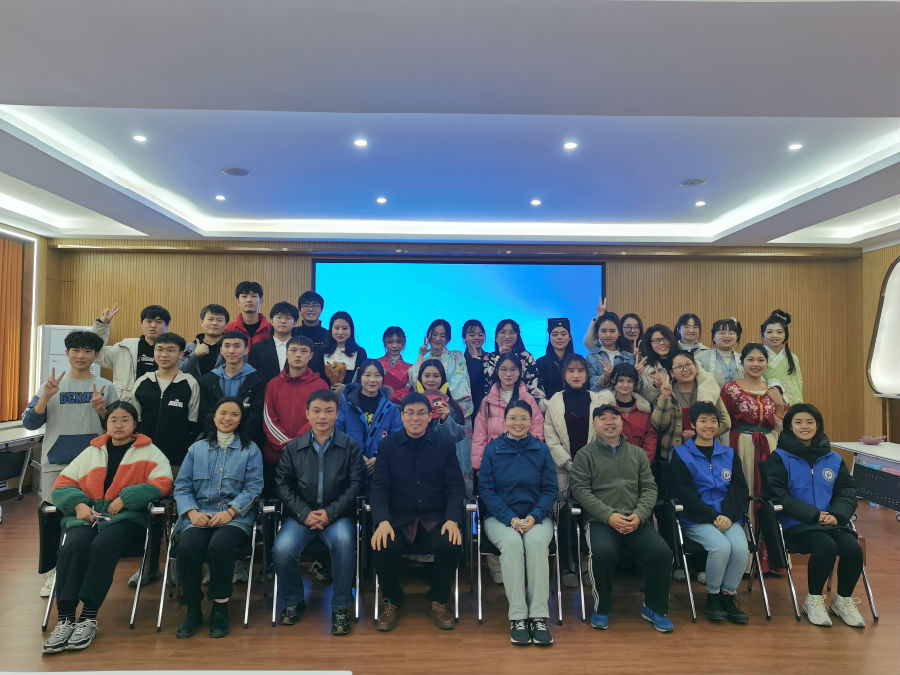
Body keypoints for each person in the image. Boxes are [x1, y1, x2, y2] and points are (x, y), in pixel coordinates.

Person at [41, 401, 173, 654]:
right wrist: (78, 504)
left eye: (125, 420)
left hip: (128, 521)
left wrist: (127, 498)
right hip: (88, 517)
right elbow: (61, 484)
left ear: (135, 424)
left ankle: (88, 616)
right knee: (72, 546)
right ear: (106, 423)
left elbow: (163, 483)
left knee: (103, 545)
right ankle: (65, 617)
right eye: (113, 420)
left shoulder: (150, 451)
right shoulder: (92, 451)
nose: (119, 425)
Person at [23, 330, 117, 597]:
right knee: (52, 517)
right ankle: (52, 571)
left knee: (89, 518)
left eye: (87, 351)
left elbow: (117, 428)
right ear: (67, 353)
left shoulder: (105, 387)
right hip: (57, 463)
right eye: (76, 350)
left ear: (96, 356)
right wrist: (45, 397)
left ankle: (83, 569)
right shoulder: (51, 385)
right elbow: (30, 422)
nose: (81, 355)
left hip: (93, 465)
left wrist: (102, 409)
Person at [569, 404, 674, 633]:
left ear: (621, 422)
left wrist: (640, 515)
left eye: (614, 417)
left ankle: (654, 608)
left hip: (635, 519)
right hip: (600, 521)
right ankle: (602, 608)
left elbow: (649, 488)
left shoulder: (637, 453)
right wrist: (609, 516)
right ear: (594, 424)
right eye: (602, 418)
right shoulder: (585, 455)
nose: (609, 422)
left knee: (662, 553)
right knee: (602, 553)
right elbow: (580, 491)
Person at [369, 393, 465, 632]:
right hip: (399, 519)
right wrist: (382, 521)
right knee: (381, 544)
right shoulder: (388, 446)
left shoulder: (444, 445)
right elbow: (379, 487)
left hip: (435, 518)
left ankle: (438, 599)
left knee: (451, 543)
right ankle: (392, 599)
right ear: (402, 416)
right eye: (409, 413)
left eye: (421, 413)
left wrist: (452, 519)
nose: (415, 418)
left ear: (430, 416)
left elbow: (455, 487)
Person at [273, 389, 364, 635]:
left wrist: (329, 513)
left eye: (328, 411)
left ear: (337, 414)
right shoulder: (294, 447)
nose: (322, 416)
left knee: (344, 543)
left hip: (337, 516)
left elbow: (355, 485)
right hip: (301, 516)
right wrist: (304, 513)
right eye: (317, 411)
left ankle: (340, 606)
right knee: (282, 550)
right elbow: (282, 484)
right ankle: (294, 601)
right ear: (307, 414)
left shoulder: (349, 446)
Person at [172, 397, 264, 639]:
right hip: (199, 514)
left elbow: (254, 487)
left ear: (241, 420)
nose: (227, 418)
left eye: (234, 414)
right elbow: (182, 487)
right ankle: (192, 608)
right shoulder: (196, 449)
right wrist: (192, 512)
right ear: (214, 416)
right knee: (187, 547)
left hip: (235, 518)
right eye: (223, 413)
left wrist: (231, 511)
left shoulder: (250, 450)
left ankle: (220, 607)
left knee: (220, 546)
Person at [766, 404, 865, 628]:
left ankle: (843, 601)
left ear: (818, 425)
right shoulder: (779, 457)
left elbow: (846, 490)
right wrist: (813, 515)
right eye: (798, 422)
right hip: (797, 523)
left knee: (853, 549)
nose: (804, 427)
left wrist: (838, 515)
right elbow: (778, 495)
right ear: (789, 426)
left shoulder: (833, 458)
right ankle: (813, 600)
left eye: (810, 422)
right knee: (825, 546)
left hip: (832, 522)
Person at [479, 400, 558, 646]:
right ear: (505, 420)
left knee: (535, 544)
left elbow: (550, 488)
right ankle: (518, 618)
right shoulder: (493, 450)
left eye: (523, 418)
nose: (518, 423)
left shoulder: (541, 449)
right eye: (513, 417)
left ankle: (539, 616)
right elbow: (486, 489)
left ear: (531, 421)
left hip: (537, 517)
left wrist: (535, 515)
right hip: (500, 518)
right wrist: (509, 517)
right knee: (512, 544)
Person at [666, 402, 750, 624]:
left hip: (727, 517)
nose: (709, 425)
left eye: (713, 421)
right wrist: (712, 517)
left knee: (740, 549)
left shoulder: (729, 454)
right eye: (703, 421)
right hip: (696, 519)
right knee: (720, 548)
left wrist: (728, 516)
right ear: (693, 425)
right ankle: (713, 597)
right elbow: (683, 493)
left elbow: (739, 489)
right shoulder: (681, 454)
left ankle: (728, 596)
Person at [128, 331, 200, 586]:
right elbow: (132, 422)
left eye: (170, 350)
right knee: (149, 514)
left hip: (178, 462)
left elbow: (193, 424)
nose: (164, 354)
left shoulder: (189, 383)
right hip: (145, 462)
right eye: (160, 349)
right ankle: (148, 567)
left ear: (181, 354)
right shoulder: (143, 382)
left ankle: (178, 566)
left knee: (179, 515)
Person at [721, 343, 787, 574]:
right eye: (750, 359)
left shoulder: (773, 391)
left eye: (761, 360)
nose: (756, 364)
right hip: (741, 445)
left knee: (769, 496)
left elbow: (781, 426)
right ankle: (745, 560)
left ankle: (771, 559)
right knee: (745, 493)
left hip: (769, 445)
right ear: (742, 363)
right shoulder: (730, 390)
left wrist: (779, 404)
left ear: (766, 363)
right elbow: (723, 422)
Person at [262, 336, 328, 497]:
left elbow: (320, 418)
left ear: (311, 355)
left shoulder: (320, 385)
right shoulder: (273, 384)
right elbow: (268, 418)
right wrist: (285, 444)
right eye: (293, 350)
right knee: (276, 501)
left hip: (309, 454)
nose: (298, 355)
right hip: (277, 455)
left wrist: (298, 441)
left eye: (304, 351)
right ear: (286, 353)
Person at [650, 350, 730, 462]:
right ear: (672, 373)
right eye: (679, 367)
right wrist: (664, 397)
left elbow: (726, 422)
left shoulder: (709, 391)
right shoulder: (667, 391)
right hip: (673, 455)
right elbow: (659, 425)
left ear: (696, 367)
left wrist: (699, 435)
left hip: (706, 453)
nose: (685, 369)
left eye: (688, 364)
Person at [471, 353, 544, 472]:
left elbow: (537, 432)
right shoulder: (487, 401)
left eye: (513, 369)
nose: (508, 374)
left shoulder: (528, 400)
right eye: (503, 369)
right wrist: (479, 466)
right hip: (494, 463)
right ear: (497, 371)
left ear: (520, 372)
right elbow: (480, 436)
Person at [197, 331, 266, 450]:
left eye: (237, 346)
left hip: (246, 444)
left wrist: (239, 440)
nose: (231, 351)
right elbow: (205, 414)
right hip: (214, 443)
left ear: (246, 350)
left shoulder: (258, 379)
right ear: (221, 350)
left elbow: (257, 415)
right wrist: (219, 438)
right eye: (227, 346)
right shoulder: (207, 380)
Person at [336, 359, 403, 480]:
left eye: (377, 375)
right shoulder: (346, 405)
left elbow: (396, 438)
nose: (372, 380)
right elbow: (338, 434)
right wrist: (358, 456)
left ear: (382, 378)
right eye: (367, 375)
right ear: (360, 377)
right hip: (350, 470)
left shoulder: (391, 409)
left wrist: (378, 458)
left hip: (381, 471)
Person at [91, 303, 170, 400]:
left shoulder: (173, 351)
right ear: (141, 324)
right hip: (127, 405)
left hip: (159, 404)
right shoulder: (125, 347)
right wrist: (102, 324)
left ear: (167, 325)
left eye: (158, 322)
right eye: (149, 321)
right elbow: (95, 352)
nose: (153, 325)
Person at [407, 319, 473, 419]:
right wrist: (421, 355)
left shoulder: (456, 356)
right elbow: (416, 382)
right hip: (428, 411)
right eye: (434, 334)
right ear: (429, 336)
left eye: (442, 336)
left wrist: (439, 400)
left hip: (452, 408)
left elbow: (460, 383)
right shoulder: (424, 361)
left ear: (447, 339)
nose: (437, 338)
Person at [483, 319, 545, 402]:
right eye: (503, 332)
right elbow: (488, 384)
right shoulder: (488, 358)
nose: (507, 336)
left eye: (512, 332)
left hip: (523, 404)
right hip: (495, 404)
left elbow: (534, 384)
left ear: (517, 336)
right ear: (496, 337)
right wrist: (502, 357)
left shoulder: (526, 357)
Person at [607, 363, 657, 463]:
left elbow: (650, 438)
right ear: (613, 380)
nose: (625, 385)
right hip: (610, 464)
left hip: (639, 464)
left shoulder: (644, 409)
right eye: (621, 380)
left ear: (635, 383)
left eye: (630, 381)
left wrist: (643, 462)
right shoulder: (606, 409)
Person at [310, 311, 367, 394]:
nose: (340, 332)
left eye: (345, 328)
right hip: (323, 397)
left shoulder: (360, 353)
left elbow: (363, 380)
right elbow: (314, 378)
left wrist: (347, 388)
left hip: (350, 399)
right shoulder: (320, 351)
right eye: (336, 328)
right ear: (331, 329)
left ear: (351, 330)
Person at [249, 301, 300, 384]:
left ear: (295, 323)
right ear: (271, 321)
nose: (283, 321)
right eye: (279, 317)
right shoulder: (258, 348)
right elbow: (252, 376)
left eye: (288, 318)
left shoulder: (301, 349)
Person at [761, 309, 803, 404]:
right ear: (763, 335)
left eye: (779, 332)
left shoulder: (793, 358)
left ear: (785, 335)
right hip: (765, 406)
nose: (775, 336)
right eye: (769, 332)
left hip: (790, 406)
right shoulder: (758, 357)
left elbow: (797, 387)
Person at [587, 312, 635, 391]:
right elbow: (590, 386)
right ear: (597, 333)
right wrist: (604, 378)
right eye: (603, 331)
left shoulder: (629, 357)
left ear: (619, 333)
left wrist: (637, 375)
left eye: (612, 331)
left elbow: (636, 387)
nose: (608, 335)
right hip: (600, 398)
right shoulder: (591, 357)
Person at [179, 304, 230, 378]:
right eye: (210, 319)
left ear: (226, 325)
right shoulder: (188, 348)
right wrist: (195, 355)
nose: (214, 323)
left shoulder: (231, 348)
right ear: (201, 322)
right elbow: (180, 372)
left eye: (219, 320)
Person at [695, 318, 745, 388]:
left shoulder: (744, 359)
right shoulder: (699, 359)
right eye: (722, 333)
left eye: (731, 333)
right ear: (713, 337)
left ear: (737, 337)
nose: (727, 336)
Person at [637, 324, 678, 407]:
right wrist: (656, 386)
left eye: (665, 339)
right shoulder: (646, 369)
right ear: (650, 344)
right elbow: (645, 400)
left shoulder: (683, 360)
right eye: (656, 340)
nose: (662, 343)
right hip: (660, 411)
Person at [225, 281, 273, 350]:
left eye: (254, 296)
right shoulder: (228, 328)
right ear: (238, 301)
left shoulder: (271, 329)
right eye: (244, 296)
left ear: (261, 301)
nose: (249, 300)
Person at [535, 318, 574, 401]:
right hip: (548, 406)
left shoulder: (577, 362)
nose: (559, 337)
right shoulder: (540, 363)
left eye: (563, 334)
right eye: (555, 334)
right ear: (549, 338)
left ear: (569, 337)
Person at [377, 326, 413, 404]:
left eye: (398, 342)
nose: (394, 345)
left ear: (404, 343)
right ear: (384, 342)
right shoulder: (376, 364)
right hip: (378, 406)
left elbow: (409, 391)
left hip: (402, 408)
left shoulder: (411, 368)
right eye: (390, 342)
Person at [462, 319, 488, 414]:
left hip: (488, 407)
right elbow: (468, 383)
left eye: (480, 335)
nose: (477, 338)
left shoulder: (490, 357)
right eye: (472, 335)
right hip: (468, 409)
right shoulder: (459, 360)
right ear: (464, 337)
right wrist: (474, 359)